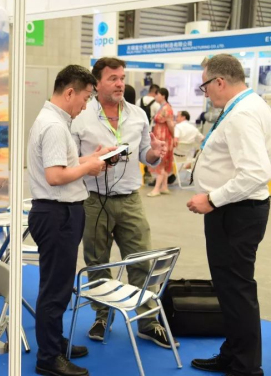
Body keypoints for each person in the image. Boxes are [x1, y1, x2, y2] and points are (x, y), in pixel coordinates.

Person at [70, 57, 173, 349]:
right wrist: (92, 162)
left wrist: (154, 153)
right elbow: (70, 160)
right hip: (93, 200)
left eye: (122, 78)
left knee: (141, 260)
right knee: (97, 262)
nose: (119, 84)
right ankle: (102, 317)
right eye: (112, 78)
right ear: (96, 83)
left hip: (130, 199)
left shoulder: (138, 115)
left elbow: (145, 155)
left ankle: (147, 322)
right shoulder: (80, 116)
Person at [188, 54, 271, 376]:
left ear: (220, 81)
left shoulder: (242, 114)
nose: (205, 92)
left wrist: (212, 198)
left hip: (235, 211)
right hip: (237, 210)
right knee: (230, 288)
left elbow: (255, 173)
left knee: (236, 289)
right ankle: (234, 353)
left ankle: (246, 367)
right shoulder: (249, 105)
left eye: (205, 85)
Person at [28, 64, 110, 376]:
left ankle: (54, 343)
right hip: (57, 214)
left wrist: (92, 158)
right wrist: (89, 168)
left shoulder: (54, 121)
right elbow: (55, 176)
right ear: (70, 92)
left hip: (60, 213)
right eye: (86, 98)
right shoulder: (54, 126)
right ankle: (49, 357)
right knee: (55, 289)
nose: (86, 105)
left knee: (58, 285)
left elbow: (64, 164)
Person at [147, 87, 175, 197]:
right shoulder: (162, 107)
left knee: (161, 161)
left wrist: (174, 137)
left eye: (158, 94)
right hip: (161, 136)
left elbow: (170, 124)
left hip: (164, 137)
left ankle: (157, 188)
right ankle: (164, 186)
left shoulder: (166, 108)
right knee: (163, 162)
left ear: (163, 95)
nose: (156, 96)